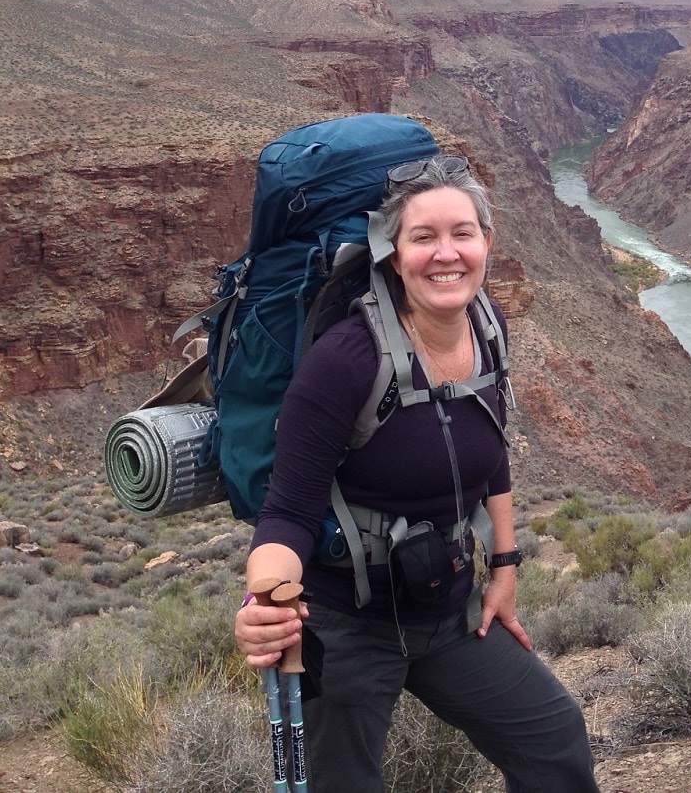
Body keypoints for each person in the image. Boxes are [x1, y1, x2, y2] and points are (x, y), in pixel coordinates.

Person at [234, 154, 599, 793]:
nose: (446, 254)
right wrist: (263, 600)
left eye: (462, 233)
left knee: (555, 740)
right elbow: (287, 513)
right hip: (345, 624)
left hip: (447, 610)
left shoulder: (488, 328)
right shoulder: (342, 362)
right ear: (392, 252)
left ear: (488, 241)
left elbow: (493, 453)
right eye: (422, 237)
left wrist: (505, 569)